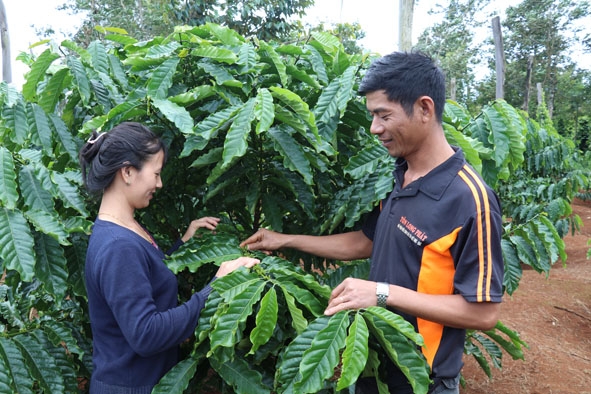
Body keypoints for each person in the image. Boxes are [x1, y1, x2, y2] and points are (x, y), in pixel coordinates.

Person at [240, 51, 504, 394]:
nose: (374, 128)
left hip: (420, 378)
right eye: (372, 115)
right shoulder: (400, 176)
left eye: (384, 115)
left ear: (425, 109)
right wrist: (284, 239)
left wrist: (380, 293)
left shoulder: (470, 200)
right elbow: (366, 242)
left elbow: (483, 313)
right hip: (370, 358)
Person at [79, 122, 259, 394]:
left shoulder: (122, 228)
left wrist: (183, 245)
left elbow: (143, 280)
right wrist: (215, 287)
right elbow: (146, 334)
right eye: (156, 174)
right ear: (128, 172)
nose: (159, 184)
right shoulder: (118, 246)